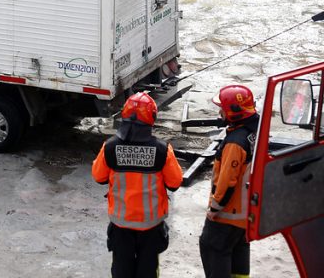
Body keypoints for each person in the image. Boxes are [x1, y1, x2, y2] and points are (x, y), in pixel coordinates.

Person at [92, 92, 183, 278]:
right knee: (148, 272)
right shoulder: (162, 150)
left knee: (121, 271)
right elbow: (175, 183)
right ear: (152, 117)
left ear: (124, 115)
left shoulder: (109, 147)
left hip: (121, 224)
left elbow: (99, 177)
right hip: (151, 227)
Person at [199, 85, 259, 278]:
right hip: (244, 214)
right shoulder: (254, 134)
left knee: (212, 248)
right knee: (238, 253)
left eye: (222, 109)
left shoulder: (235, 142)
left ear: (233, 113)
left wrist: (214, 209)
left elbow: (227, 181)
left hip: (227, 215)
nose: (219, 112)